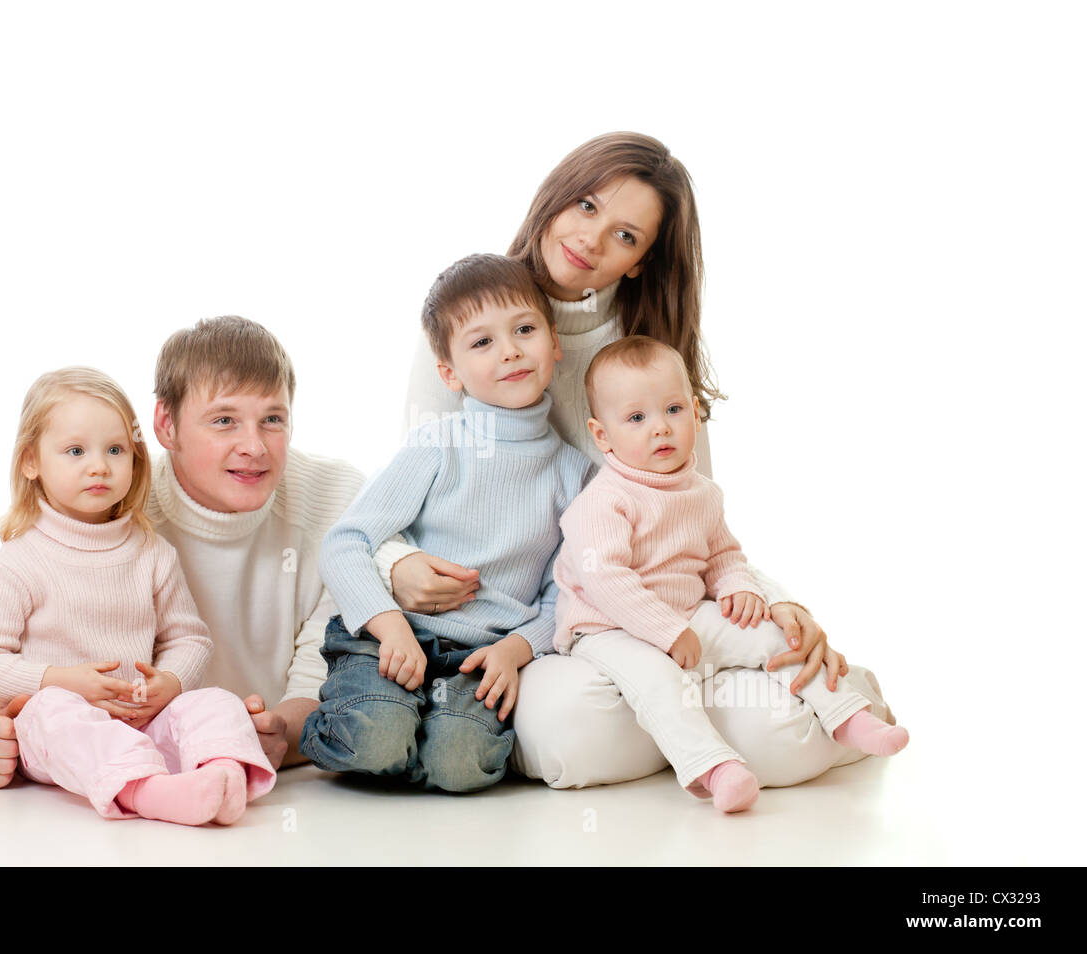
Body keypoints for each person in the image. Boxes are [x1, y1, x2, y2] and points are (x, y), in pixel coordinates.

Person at [382, 131, 896, 788]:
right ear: (554, 199)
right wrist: (399, 567)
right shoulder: (469, 325)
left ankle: (745, 722)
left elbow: (694, 516)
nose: (593, 239)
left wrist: (775, 603)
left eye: (627, 236)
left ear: (639, 261)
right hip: (554, 625)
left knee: (784, 735)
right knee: (572, 734)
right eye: (588, 206)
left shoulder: (651, 354)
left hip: (669, 605)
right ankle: (693, 727)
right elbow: (404, 498)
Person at [0, 318, 393, 790]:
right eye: (224, 420)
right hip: (118, 753)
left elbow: (330, 660)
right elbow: (27, 640)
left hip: (234, 755)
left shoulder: (337, 499)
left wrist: (282, 734)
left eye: (272, 419)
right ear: (166, 426)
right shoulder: (108, 506)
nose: (253, 447)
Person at [553, 337, 908, 812]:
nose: (660, 428)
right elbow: (606, 580)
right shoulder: (604, 500)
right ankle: (714, 769)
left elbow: (723, 555)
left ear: (696, 414)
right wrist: (665, 631)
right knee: (659, 681)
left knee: (769, 636)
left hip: (683, 612)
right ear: (602, 435)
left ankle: (847, 715)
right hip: (606, 626)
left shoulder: (702, 492)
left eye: (673, 409)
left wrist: (738, 587)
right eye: (637, 418)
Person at [300, 255, 594, 792]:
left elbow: (570, 590)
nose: (509, 350)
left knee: (462, 767)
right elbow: (346, 542)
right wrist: (388, 625)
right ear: (449, 372)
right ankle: (367, 733)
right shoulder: (437, 444)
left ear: (554, 343)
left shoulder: (575, 474)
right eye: (482, 342)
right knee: (376, 738)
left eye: (524, 330)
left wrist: (518, 647)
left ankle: (412, 744)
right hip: (394, 635)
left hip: (480, 657)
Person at [0, 367, 275, 824]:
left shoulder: (150, 551)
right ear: (31, 461)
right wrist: (63, 682)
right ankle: (145, 793)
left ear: (135, 458)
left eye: (115, 450)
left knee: (216, 700)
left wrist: (169, 683)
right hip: (57, 738)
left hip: (140, 722)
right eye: (75, 451)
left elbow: (190, 640)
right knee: (54, 712)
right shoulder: (20, 560)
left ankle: (222, 773)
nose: (99, 465)